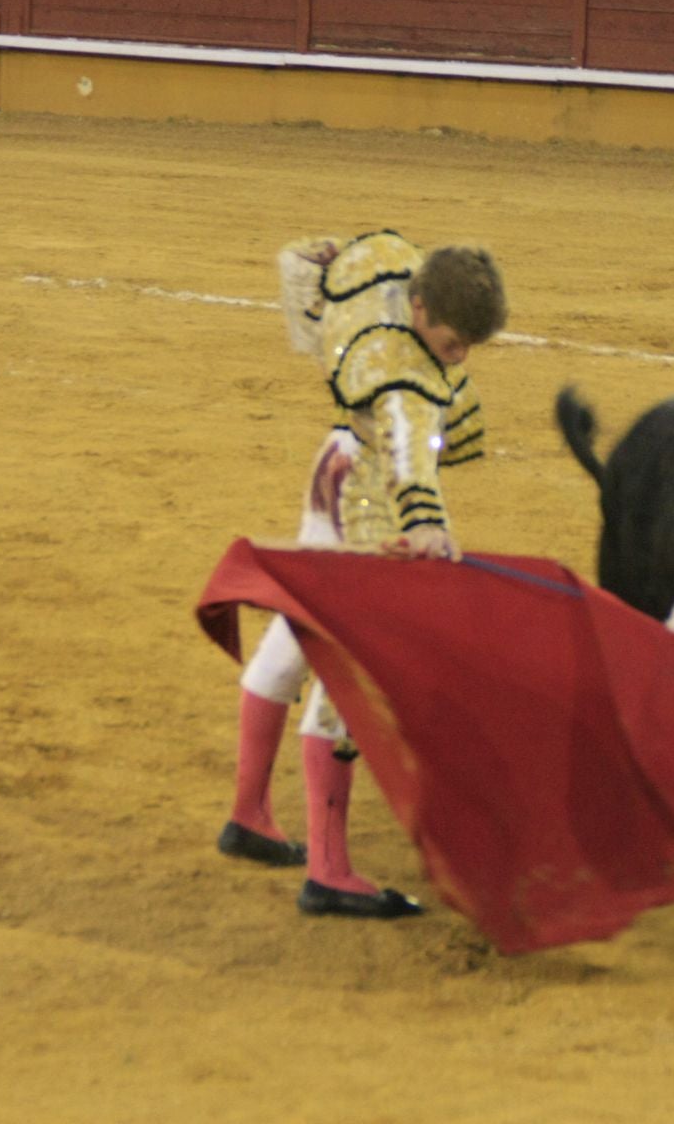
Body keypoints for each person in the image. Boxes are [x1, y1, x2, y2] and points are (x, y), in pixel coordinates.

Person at [216, 229, 508, 918]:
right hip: (369, 493)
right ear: (421, 308)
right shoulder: (406, 376)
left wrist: (320, 261)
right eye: (452, 342)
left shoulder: (383, 289)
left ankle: (250, 815)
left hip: (334, 460)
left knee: (298, 632)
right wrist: (425, 524)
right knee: (350, 665)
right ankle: (329, 870)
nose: (458, 356)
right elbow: (407, 454)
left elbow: (309, 280)